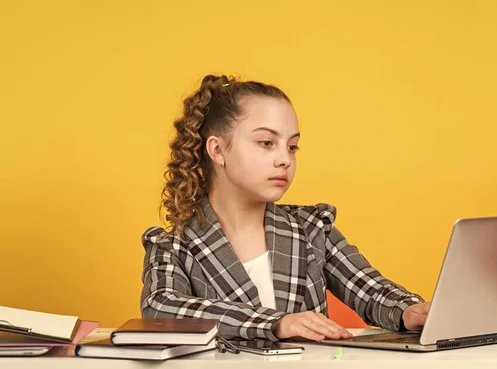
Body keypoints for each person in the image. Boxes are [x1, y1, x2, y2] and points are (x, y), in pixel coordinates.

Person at [140, 75, 430, 341]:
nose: (284, 159)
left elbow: (370, 290)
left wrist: (408, 311)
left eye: (292, 147)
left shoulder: (312, 229)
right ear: (217, 150)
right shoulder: (173, 246)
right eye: (266, 142)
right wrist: (274, 323)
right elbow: (161, 308)